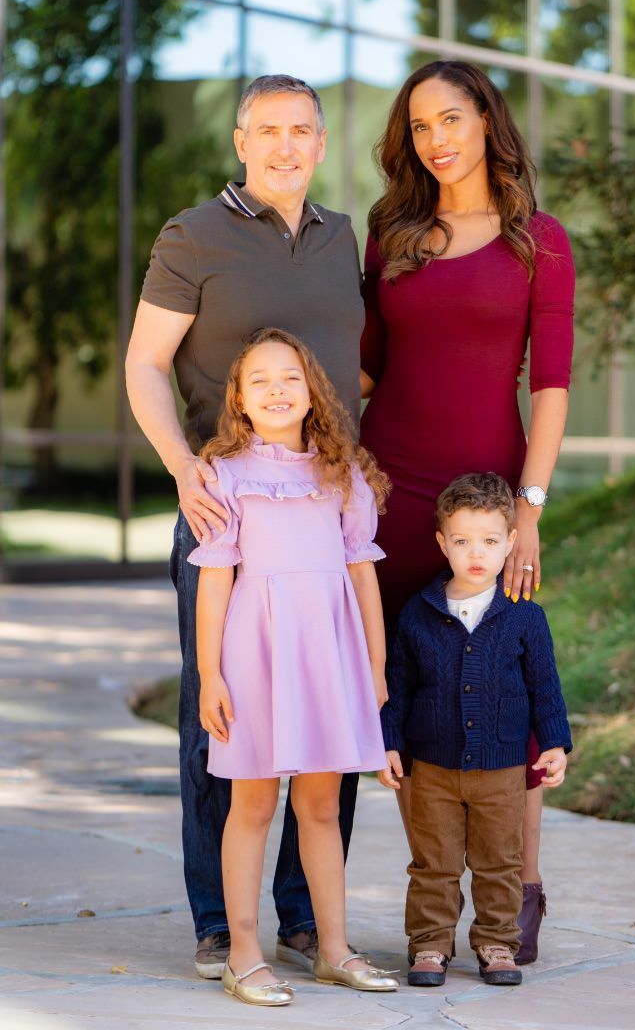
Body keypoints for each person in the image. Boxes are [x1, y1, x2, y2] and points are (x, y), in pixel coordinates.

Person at [126, 74, 365, 979]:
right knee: (217, 717)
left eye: (301, 130)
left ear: (320, 142)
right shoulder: (194, 235)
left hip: (322, 514)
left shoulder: (345, 238)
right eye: (267, 130)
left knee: (328, 716)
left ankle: (307, 922)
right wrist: (186, 468)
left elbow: (352, 367)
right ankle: (221, 926)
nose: (285, 146)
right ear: (239, 141)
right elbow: (145, 363)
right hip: (223, 513)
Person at [360, 60, 575, 962]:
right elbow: (366, 367)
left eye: (452, 118)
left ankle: (518, 884)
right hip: (391, 493)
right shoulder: (393, 234)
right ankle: (433, 907)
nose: (437, 140)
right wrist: (345, 461)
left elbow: (553, 388)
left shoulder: (541, 241)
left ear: (487, 120)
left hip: (490, 497)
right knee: (409, 692)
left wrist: (528, 509)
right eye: (419, 126)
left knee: (509, 691)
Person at [190, 326, 399, 1006]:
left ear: (313, 392)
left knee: (320, 805)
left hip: (327, 653)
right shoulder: (224, 475)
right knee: (251, 804)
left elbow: (362, 571)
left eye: (290, 377)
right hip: (256, 653)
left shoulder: (343, 473)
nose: (277, 389)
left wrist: (374, 663)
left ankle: (333, 949)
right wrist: (211, 674)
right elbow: (216, 581)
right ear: (240, 402)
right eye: (260, 380)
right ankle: (244, 952)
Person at [379, 473, 571, 986]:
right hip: (433, 767)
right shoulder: (418, 614)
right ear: (442, 543)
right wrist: (390, 744)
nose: (476, 553)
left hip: (502, 768)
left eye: (489, 541)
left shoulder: (524, 615)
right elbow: (398, 685)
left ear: (511, 542)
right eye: (462, 541)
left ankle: (496, 943)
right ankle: (429, 945)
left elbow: (545, 686)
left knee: (499, 863)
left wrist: (554, 742)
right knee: (433, 864)